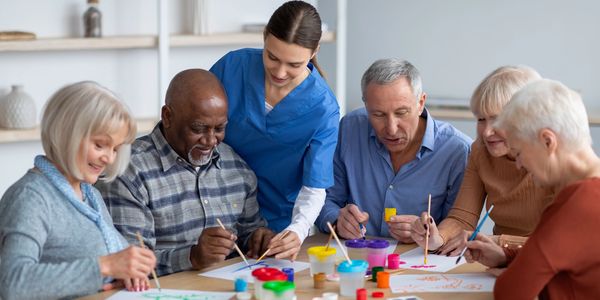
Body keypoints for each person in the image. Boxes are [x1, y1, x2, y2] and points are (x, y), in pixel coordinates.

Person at [97, 69, 273, 276]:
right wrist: (192, 257)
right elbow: (126, 262)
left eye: (219, 129)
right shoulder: (127, 172)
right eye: (198, 129)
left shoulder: (236, 167)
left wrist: (258, 239)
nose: (210, 141)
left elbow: (248, 233)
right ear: (168, 116)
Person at [0, 81, 157, 299]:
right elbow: (12, 283)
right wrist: (106, 267)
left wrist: (125, 271)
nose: (109, 158)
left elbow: (95, 267)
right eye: (100, 145)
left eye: (115, 149)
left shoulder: (90, 194)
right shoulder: (31, 197)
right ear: (66, 134)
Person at [210, 0, 339, 259]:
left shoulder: (324, 108)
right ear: (265, 37)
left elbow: (314, 186)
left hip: (275, 226)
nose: (280, 72)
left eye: (294, 64)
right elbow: (195, 121)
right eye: (272, 57)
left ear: (314, 51)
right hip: (215, 213)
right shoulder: (232, 67)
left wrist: (298, 230)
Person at [464, 79, 600, 299]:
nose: (519, 164)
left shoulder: (577, 204)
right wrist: (506, 256)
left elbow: (510, 291)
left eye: (518, 152)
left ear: (548, 141)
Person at [315, 59, 472, 242]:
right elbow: (322, 198)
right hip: (353, 260)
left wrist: (429, 234)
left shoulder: (457, 150)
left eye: (401, 113)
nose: (391, 128)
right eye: (378, 114)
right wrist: (337, 220)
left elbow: (460, 224)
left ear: (421, 103)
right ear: (366, 106)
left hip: (422, 264)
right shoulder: (350, 129)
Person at [410, 66, 554, 254]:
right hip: (498, 258)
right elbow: (462, 218)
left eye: (497, 119)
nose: (486, 132)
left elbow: (561, 241)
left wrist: (498, 242)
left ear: (526, 118)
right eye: (480, 119)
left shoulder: (554, 159)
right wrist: (438, 238)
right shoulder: (480, 150)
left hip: (543, 259)